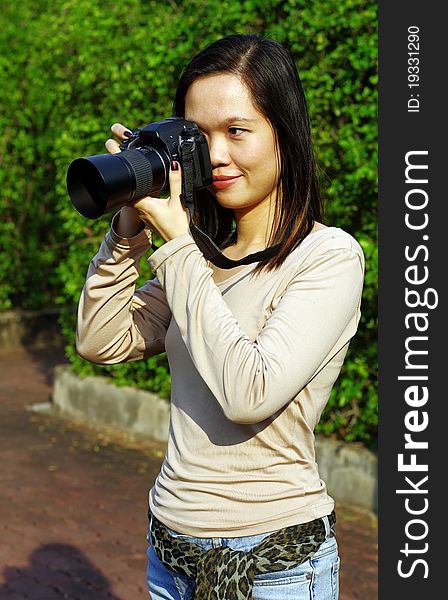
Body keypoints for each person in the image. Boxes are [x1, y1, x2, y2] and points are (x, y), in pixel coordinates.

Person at [76, 34, 365, 600]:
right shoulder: (201, 260)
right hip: (172, 554)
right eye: (198, 136)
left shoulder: (327, 256)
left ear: (285, 134)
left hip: (275, 565)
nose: (215, 156)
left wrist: (179, 244)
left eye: (237, 131)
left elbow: (249, 392)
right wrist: (127, 229)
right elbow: (100, 339)